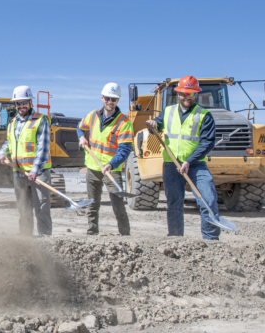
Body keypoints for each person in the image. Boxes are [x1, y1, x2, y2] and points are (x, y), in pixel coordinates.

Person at [146, 75, 219, 240]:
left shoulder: (204, 115)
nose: (187, 97)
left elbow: (207, 143)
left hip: (196, 165)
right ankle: (175, 238)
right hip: (171, 165)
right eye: (184, 93)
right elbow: (156, 126)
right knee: (174, 203)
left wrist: (188, 161)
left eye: (191, 94)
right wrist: (153, 126)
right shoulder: (168, 111)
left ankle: (211, 240)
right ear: (178, 93)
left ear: (196, 95)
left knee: (208, 200)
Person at [77, 83, 134, 236]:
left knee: (118, 206)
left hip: (111, 170)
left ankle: (125, 236)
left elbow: (125, 149)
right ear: (102, 98)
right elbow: (80, 126)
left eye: (114, 99)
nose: (110, 102)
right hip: (93, 168)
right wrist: (82, 137)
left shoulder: (124, 123)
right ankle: (92, 233)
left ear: (117, 100)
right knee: (92, 205)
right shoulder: (93, 115)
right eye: (107, 98)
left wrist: (111, 164)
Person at [0, 85, 52, 237]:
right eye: (18, 103)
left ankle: (45, 240)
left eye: (24, 102)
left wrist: (34, 170)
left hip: (38, 174)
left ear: (30, 103)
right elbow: (9, 142)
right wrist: (2, 153)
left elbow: (43, 147)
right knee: (23, 210)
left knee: (41, 209)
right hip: (19, 174)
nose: (21, 106)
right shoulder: (13, 123)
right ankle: (26, 241)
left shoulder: (40, 120)